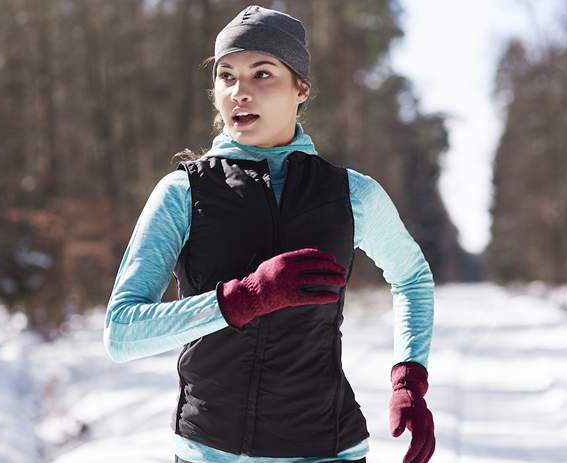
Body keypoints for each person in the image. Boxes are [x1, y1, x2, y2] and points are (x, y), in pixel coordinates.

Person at [103, 5, 435, 463]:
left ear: (301, 88)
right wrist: (246, 297)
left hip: (328, 447)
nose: (240, 92)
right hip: (212, 450)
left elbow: (412, 278)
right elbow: (122, 332)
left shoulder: (351, 194)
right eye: (226, 76)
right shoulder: (183, 192)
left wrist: (409, 377)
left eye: (262, 74)